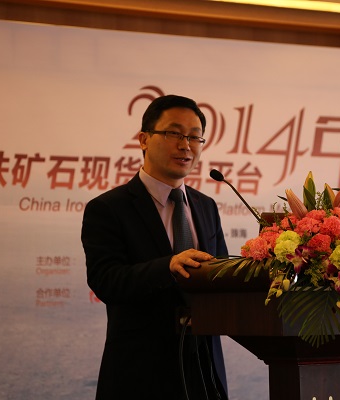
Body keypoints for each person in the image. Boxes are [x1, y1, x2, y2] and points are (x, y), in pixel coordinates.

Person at [81, 95, 229, 399]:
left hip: (204, 374)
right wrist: (168, 267)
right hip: (140, 375)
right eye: (174, 133)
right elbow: (105, 280)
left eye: (194, 137)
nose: (185, 145)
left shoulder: (206, 206)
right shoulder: (108, 208)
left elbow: (221, 274)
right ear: (144, 139)